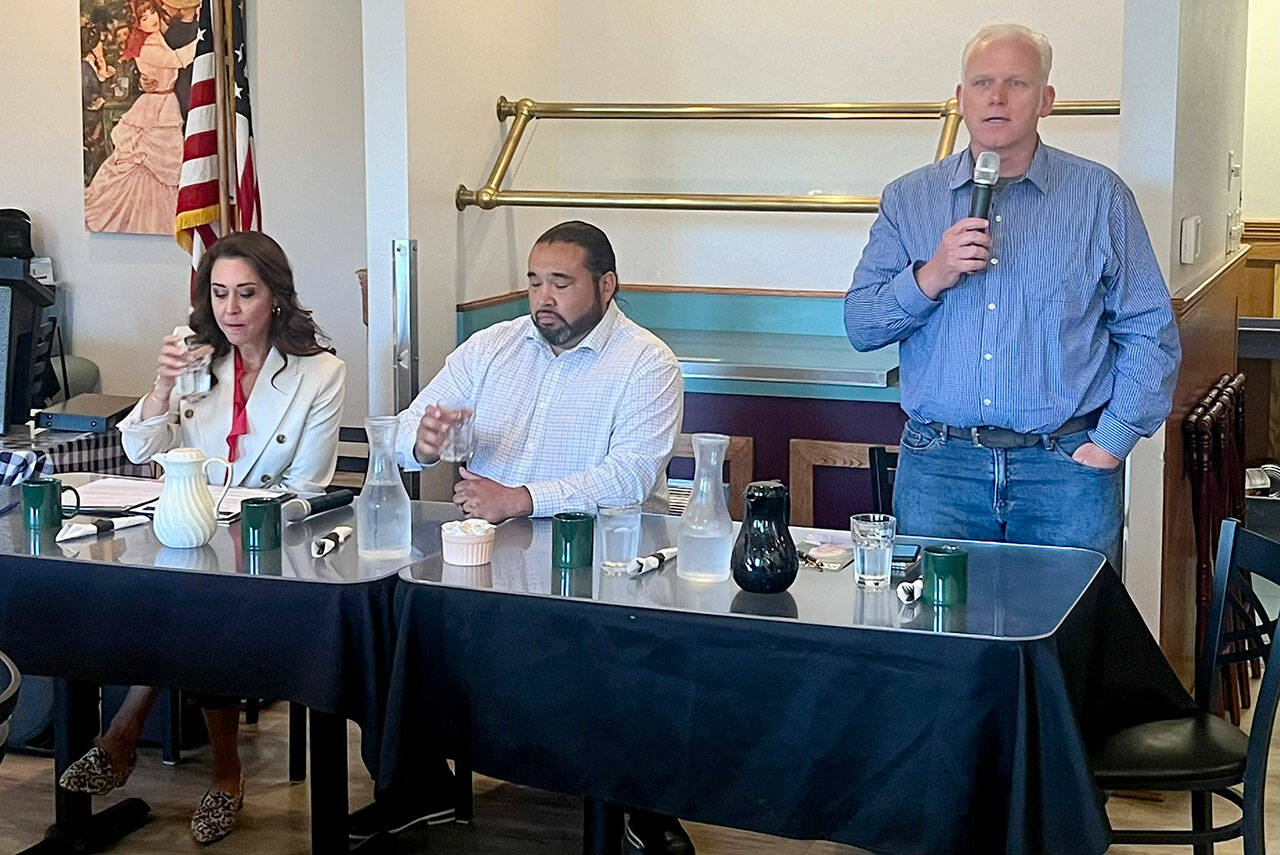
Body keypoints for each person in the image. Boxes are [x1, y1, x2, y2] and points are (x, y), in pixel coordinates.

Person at [349, 221, 693, 854]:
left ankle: (639, 802)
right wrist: (423, 444)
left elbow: (630, 476)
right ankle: (415, 788)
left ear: (606, 286)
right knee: (384, 615)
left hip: (600, 556)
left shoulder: (647, 363)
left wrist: (523, 499)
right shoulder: (492, 348)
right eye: (534, 283)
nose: (543, 298)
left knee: (628, 644)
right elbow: (407, 430)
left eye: (561, 283)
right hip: (486, 551)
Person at [844, 23, 1179, 569]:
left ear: (1046, 100)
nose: (996, 98)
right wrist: (932, 273)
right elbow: (862, 326)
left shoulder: (1100, 197)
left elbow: (1149, 331)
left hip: (1065, 469)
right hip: (941, 469)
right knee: (941, 641)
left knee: (1068, 645)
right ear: (960, 99)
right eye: (981, 83)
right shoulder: (909, 199)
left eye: (1016, 84)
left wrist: (1110, 444)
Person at [61, 231, 345, 844]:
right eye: (219, 294)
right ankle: (216, 770)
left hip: (267, 545)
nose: (231, 310)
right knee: (161, 593)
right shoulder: (193, 355)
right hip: (186, 535)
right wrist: (161, 389)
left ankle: (135, 738)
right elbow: (141, 449)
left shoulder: (321, 373)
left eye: (246, 293)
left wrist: (220, 517)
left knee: (196, 602)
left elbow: (308, 485)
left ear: (277, 298)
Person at [83, 0, 194, 234]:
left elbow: (172, 23)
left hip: (165, 104)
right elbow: (177, 60)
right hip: (155, 108)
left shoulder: (155, 38)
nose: (151, 20)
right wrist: (203, 43)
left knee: (165, 165)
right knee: (146, 161)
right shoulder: (148, 46)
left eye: (152, 13)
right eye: (144, 18)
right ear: (138, 23)